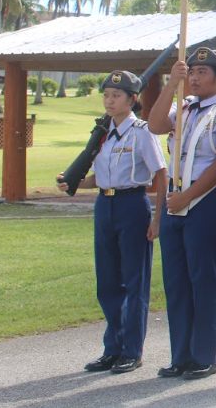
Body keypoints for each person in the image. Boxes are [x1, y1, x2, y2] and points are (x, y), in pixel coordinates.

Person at [147, 48, 216, 380]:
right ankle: (181, 356)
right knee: (176, 282)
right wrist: (170, 83)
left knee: (203, 281)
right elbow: (155, 124)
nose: (195, 78)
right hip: (176, 199)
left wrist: (187, 197)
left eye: (203, 72)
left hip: (206, 199)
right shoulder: (184, 106)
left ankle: (204, 356)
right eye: (191, 71)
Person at [59, 71, 166, 375]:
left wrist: (158, 218)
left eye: (116, 95)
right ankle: (113, 348)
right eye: (106, 95)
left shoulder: (142, 132)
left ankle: (131, 350)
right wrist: (73, 181)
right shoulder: (103, 132)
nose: (109, 100)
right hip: (104, 205)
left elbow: (161, 174)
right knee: (107, 282)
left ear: (132, 100)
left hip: (132, 204)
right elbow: (101, 177)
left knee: (134, 281)